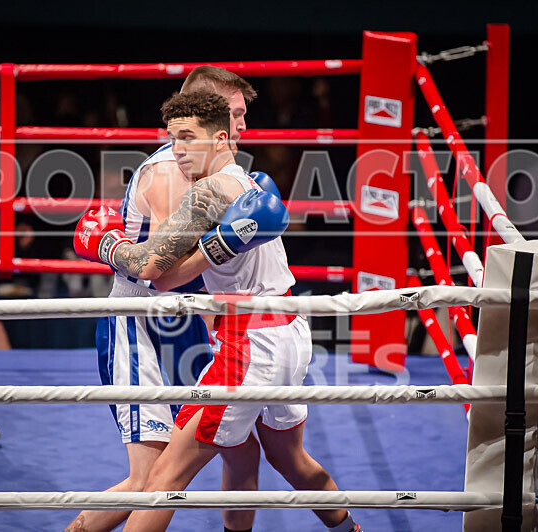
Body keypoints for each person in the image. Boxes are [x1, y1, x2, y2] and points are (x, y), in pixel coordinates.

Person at [75, 91, 360, 532]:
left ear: (220, 137)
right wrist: (217, 246)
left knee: (165, 476)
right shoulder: (249, 184)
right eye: (173, 139)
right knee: (289, 459)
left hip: (248, 346)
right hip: (291, 332)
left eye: (187, 138)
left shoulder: (207, 191)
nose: (179, 150)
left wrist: (106, 243)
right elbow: (170, 278)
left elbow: (151, 266)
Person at [65, 67, 260, 532]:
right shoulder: (171, 174)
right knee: (152, 477)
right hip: (140, 325)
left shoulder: (218, 168)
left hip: (187, 321)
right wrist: (109, 247)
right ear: (206, 113)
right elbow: (159, 272)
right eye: (234, 114)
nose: (243, 126)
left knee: (239, 449)